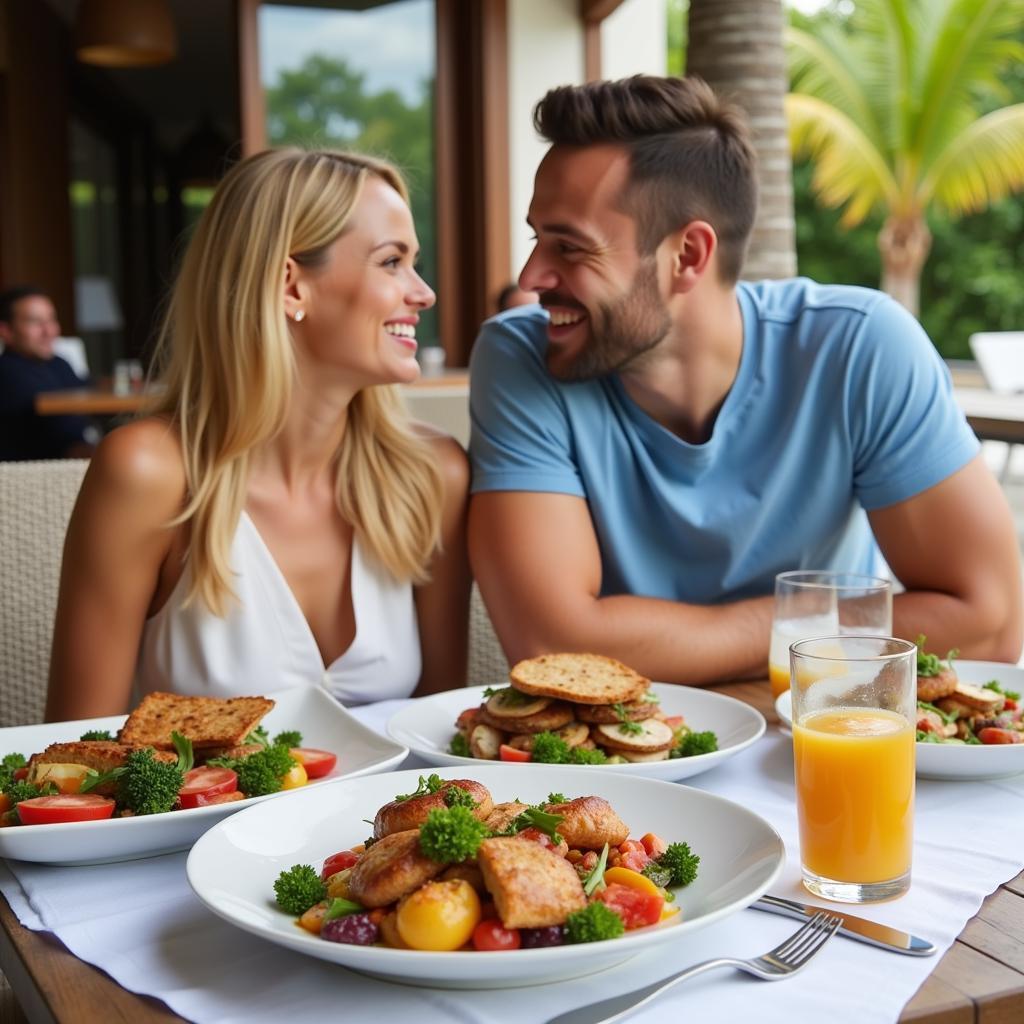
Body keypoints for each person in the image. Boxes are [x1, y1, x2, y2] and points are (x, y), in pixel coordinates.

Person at [468, 75, 1022, 686]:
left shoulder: (858, 347)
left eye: (570, 248)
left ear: (687, 256)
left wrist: (747, 638)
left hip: (829, 745)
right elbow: (551, 647)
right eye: (536, 238)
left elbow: (990, 626)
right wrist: (808, 630)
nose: (530, 275)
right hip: (637, 762)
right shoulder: (523, 355)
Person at [47, 148, 470, 720]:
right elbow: (71, 766)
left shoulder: (431, 472)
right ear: (291, 285)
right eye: (392, 262)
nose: (423, 293)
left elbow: (444, 740)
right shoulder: (149, 472)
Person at [0, 285, 97, 460]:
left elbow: (88, 389)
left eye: (51, 320)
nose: (49, 331)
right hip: (38, 469)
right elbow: (59, 428)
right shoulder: (6, 372)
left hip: (74, 459)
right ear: (6, 331)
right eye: (35, 322)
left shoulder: (58, 363)